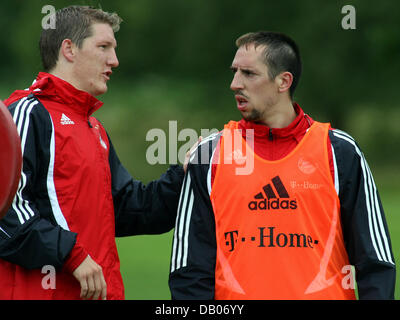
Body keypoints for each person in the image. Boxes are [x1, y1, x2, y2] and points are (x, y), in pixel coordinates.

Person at [169, 31, 396, 299]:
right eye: (234, 72)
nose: (234, 83)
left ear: (283, 81)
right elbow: (189, 270)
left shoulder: (340, 152)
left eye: (248, 74)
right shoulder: (210, 155)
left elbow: (375, 263)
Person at [0, 5, 187, 300]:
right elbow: (6, 207)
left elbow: (127, 209)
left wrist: (185, 175)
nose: (114, 60)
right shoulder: (26, 113)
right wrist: (72, 255)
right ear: (69, 49)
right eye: (104, 47)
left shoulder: (94, 128)